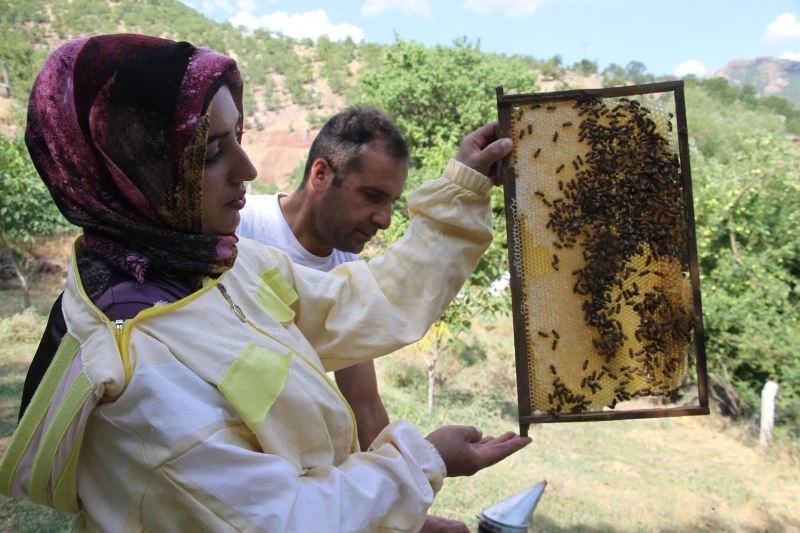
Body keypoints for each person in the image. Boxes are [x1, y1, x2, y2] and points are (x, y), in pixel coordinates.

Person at [0, 34, 529, 532]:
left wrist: (462, 189)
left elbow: (360, 304)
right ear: (135, 171)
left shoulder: (223, 266)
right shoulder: (135, 367)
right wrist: (422, 460)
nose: (248, 169)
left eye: (239, 139)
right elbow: (285, 519)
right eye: (210, 153)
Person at [238, 107, 471, 532]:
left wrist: (407, 514)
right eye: (372, 196)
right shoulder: (238, 228)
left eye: (391, 203)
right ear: (321, 174)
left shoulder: (345, 264)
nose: (383, 220)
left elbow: (364, 403)